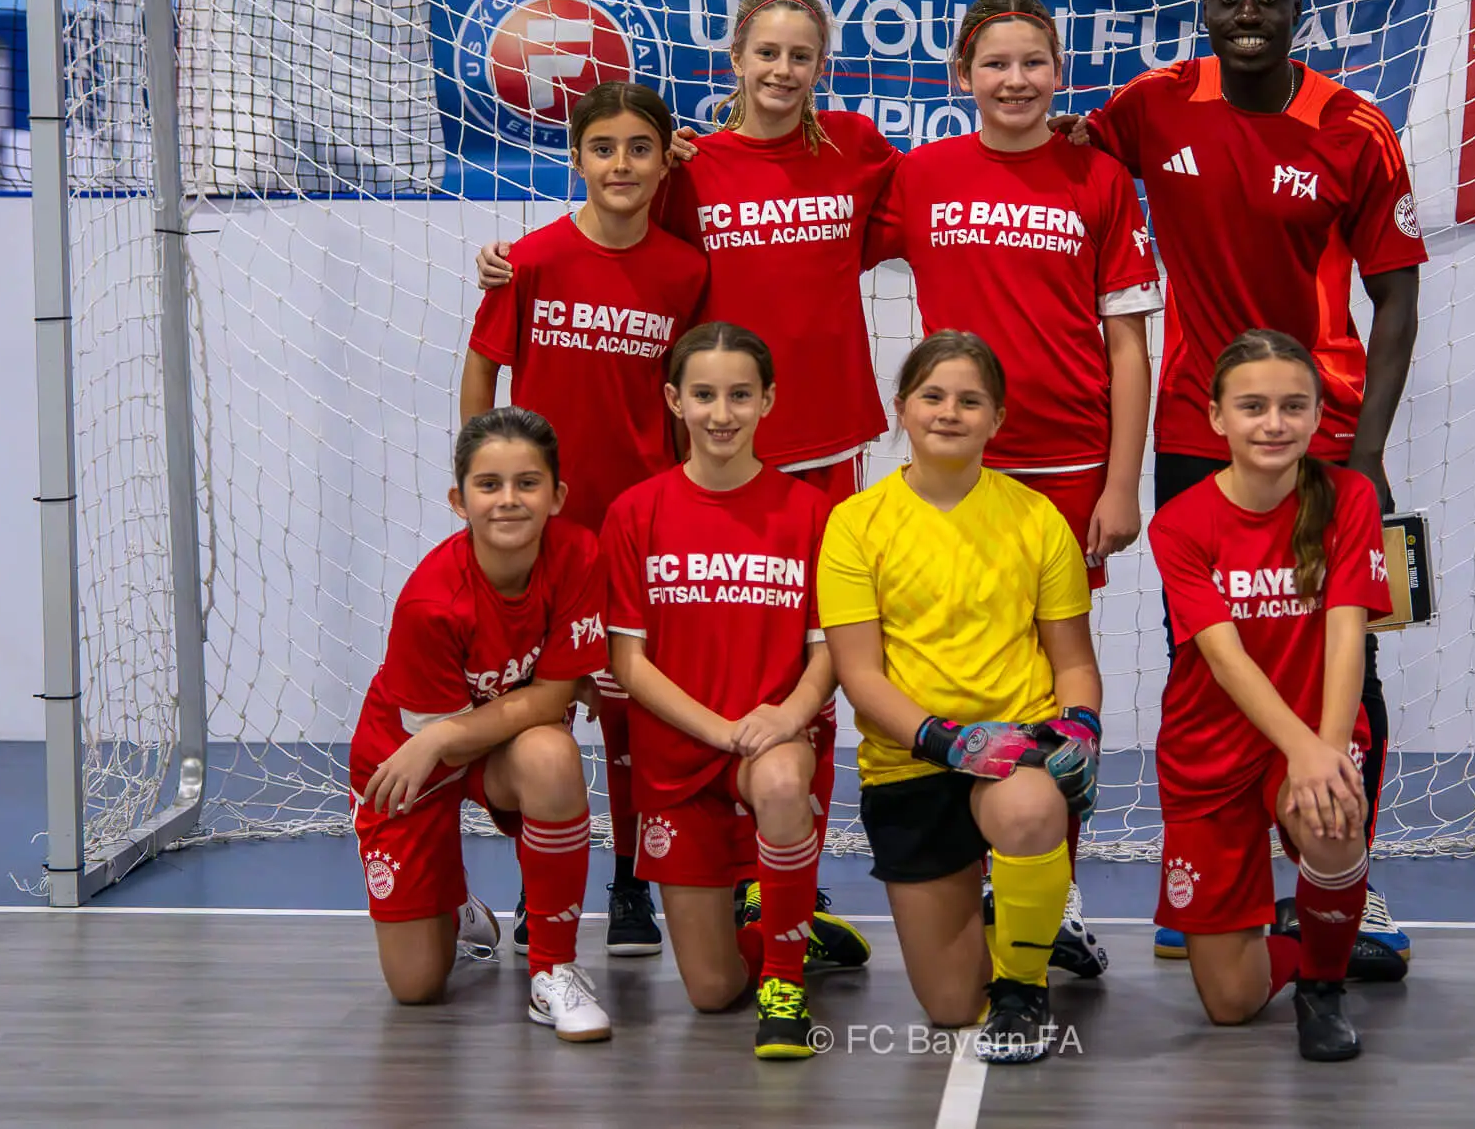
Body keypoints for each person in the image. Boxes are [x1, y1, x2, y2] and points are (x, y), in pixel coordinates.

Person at [1056, 0, 1427, 974]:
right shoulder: (1155, 103)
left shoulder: (1355, 129)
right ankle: (1207, 878)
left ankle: (1342, 867)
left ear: (1298, 8)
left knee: (1346, 661)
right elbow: (1062, 154)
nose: (1250, 13)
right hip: (1191, 430)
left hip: (1325, 438)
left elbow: (1397, 298)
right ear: (1205, 7)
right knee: (1204, 660)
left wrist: (1365, 454)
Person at [872, 0, 1162, 979]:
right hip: (955, 461)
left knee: (1049, 676)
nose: (1014, 79)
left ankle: (1051, 881)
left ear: (1058, 71)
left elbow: (1128, 344)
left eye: (1033, 61)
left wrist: (1121, 483)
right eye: (994, 63)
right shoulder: (919, 175)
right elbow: (808, 230)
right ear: (961, 75)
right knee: (953, 657)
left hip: (1067, 467)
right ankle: (970, 862)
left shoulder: (1099, 177)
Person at [479, 0, 899, 505]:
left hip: (827, 431)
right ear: (737, 58)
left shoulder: (852, 143)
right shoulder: (687, 168)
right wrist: (513, 262)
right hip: (718, 433)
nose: (782, 70)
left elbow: (932, 202)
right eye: (767, 53)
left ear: (820, 69)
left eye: (800, 57)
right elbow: (616, 253)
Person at [461, 80, 707, 959]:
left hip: (639, 529)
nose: (620, 164)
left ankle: (632, 884)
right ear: (576, 159)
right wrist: (486, 486)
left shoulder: (685, 271)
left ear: (664, 160)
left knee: (633, 720)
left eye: (640, 148)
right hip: (547, 534)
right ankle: (545, 889)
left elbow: (691, 397)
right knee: (544, 719)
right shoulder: (528, 260)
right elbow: (484, 365)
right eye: (603, 148)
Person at [819, 331, 1103, 1064]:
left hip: (1014, 750)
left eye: (970, 400)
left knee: (1030, 809)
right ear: (901, 408)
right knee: (950, 1006)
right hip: (912, 760)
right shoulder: (854, 523)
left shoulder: (1037, 517)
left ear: (996, 419)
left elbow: (1074, 660)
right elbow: (859, 674)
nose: (950, 412)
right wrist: (945, 739)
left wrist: (1081, 726)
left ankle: (1025, 986)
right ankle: (1026, 917)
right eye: (933, 396)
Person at [603, 321, 871, 1060]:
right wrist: (718, 729)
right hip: (679, 754)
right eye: (704, 395)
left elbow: (828, 651)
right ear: (674, 400)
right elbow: (628, 662)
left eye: (740, 395)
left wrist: (786, 716)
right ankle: (788, 929)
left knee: (781, 780)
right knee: (713, 989)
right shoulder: (635, 512)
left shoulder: (811, 512)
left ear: (768, 400)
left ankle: (785, 980)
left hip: (773, 740)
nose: (722, 413)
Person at [1148, 330, 1392, 1060]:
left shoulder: (1348, 496)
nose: (1274, 423)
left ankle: (1323, 984)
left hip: (1317, 727)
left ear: (1318, 416)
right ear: (1217, 416)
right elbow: (1224, 659)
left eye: (1293, 406)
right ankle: (1305, 933)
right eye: (1252, 406)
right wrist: (1302, 748)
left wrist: (1324, 751)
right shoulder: (1179, 522)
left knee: (1333, 812)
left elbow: (1347, 635)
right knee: (1231, 1004)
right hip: (1210, 744)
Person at [348, 407, 611, 1042]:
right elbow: (454, 730)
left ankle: (553, 971)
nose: (509, 499)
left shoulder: (579, 554)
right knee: (416, 988)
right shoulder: (431, 603)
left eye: (528, 483)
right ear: (459, 501)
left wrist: (453, 731)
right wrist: (442, 735)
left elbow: (552, 701)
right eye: (489, 485)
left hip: (480, 744)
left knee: (551, 757)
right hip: (407, 762)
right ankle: (450, 903)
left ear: (557, 496)